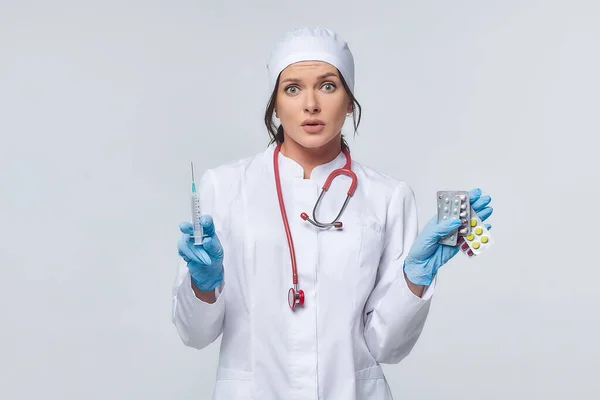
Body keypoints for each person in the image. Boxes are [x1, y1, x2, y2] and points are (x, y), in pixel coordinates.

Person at [172, 27, 493, 399]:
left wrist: (414, 278)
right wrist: (203, 285)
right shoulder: (224, 188)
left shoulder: (388, 197)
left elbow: (387, 347)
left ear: (350, 101)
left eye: (327, 86)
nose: (311, 104)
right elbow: (195, 335)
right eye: (292, 88)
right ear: (275, 104)